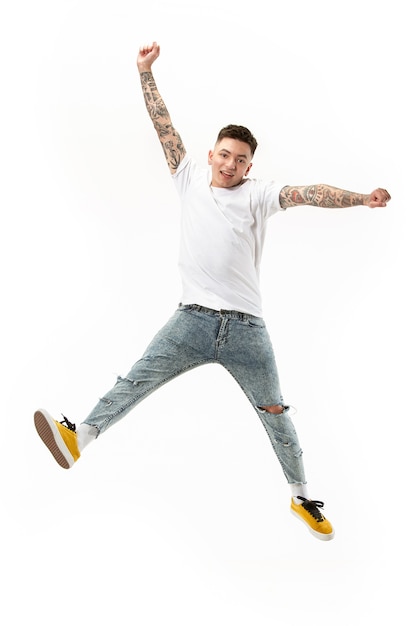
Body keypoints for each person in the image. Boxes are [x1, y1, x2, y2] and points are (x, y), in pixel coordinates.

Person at [34, 42, 391, 542]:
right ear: (210, 154)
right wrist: (144, 73)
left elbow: (309, 193)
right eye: (224, 154)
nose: (229, 164)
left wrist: (360, 200)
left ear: (249, 166)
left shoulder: (260, 194)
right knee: (137, 379)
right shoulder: (187, 177)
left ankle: (300, 495)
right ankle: (81, 438)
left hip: (247, 329)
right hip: (192, 320)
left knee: (275, 411)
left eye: (240, 160)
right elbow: (163, 127)